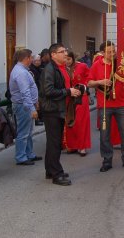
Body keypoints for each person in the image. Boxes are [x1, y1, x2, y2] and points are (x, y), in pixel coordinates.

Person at [87, 41, 124, 172]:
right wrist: (100, 81)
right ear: (102, 53)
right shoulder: (96, 65)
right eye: (109, 52)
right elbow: (89, 83)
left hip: (121, 104)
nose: (112, 53)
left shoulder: (120, 65)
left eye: (113, 51)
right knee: (105, 135)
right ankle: (107, 160)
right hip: (104, 105)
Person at [39, 44, 81, 185]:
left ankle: (50, 170)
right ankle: (57, 174)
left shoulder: (62, 68)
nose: (65, 54)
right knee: (55, 143)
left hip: (59, 109)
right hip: (52, 110)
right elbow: (48, 91)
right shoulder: (49, 69)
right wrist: (68, 92)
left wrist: (72, 91)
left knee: (54, 142)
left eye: (65, 51)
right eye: (61, 52)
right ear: (53, 55)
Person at [9, 48, 42, 166]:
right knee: (23, 132)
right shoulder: (21, 72)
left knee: (28, 132)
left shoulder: (22, 70)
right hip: (23, 106)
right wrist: (32, 108)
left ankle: (29, 154)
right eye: (31, 57)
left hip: (26, 105)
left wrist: (35, 102)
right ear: (26, 58)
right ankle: (21, 157)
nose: (32, 59)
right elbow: (25, 92)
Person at [62, 49, 91, 156]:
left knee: (81, 122)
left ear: (73, 58)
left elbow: (90, 78)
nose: (67, 61)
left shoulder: (82, 66)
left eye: (68, 59)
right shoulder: (62, 69)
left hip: (81, 97)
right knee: (70, 122)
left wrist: (84, 86)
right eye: (64, 58)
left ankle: (82, 146)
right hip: (68, 98)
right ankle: (72, 145)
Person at [30, 54, 45, 126]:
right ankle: (37, 120)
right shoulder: (32, 70)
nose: (39, 62)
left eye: (39, 60)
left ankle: (39, 118)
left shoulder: (39, 68)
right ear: (33, 61)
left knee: (39, 105)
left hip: (39, 89)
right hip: (36, 89)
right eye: (37, 60)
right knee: (36, 105)